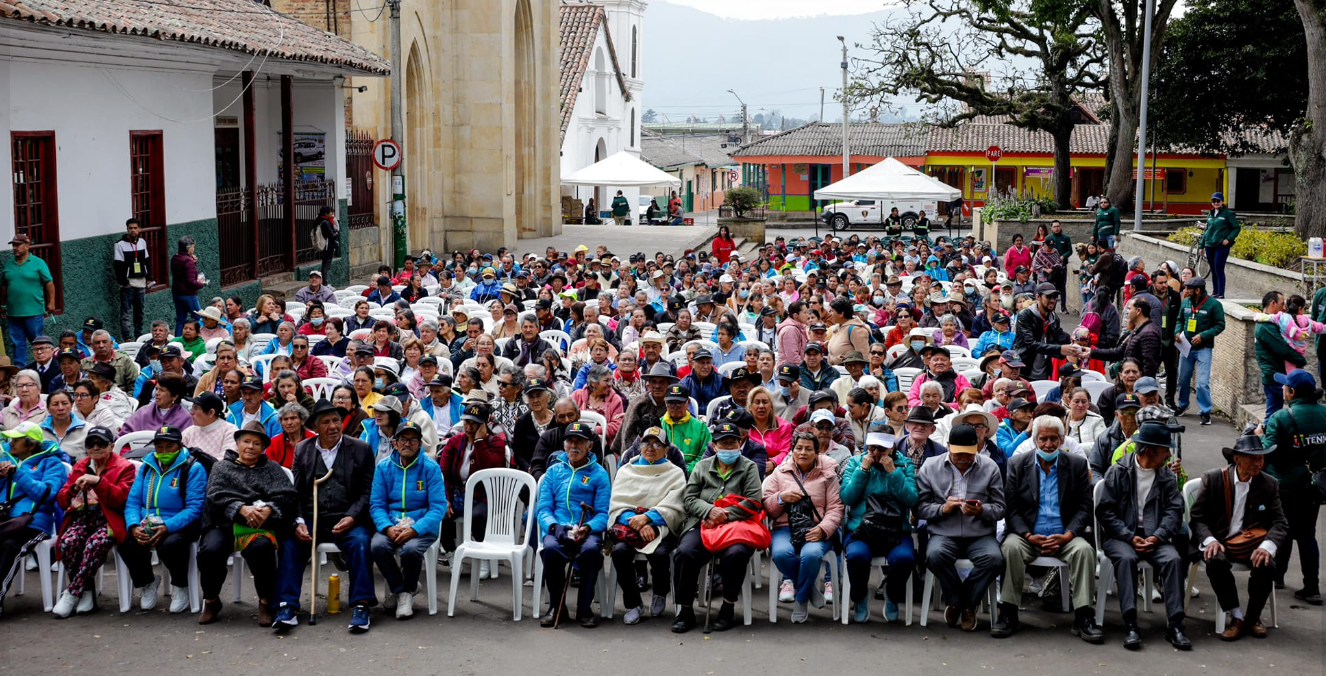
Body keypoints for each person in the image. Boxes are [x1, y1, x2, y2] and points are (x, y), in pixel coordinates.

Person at [992, 416, 1102, 641]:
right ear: (1035, 439)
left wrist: (1068, 535)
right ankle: (1009, 613)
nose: (1048, 444)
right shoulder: (1017, 464)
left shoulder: (1077, 465)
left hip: (1066, 535)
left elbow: (1084, 507)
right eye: (1043, 439)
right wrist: (1028, 535)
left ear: (1062, 440)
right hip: (1028, 535)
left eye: (1054, 439)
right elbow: (1010, 508)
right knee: (1010, 549)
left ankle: (1083, 616)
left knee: (1084, 551)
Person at [272, 400, 377, 634]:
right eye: (326, 422)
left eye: (336, 420)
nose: (333, 426)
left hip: (347, 516)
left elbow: (367, 492)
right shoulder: (303, 449)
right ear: (316, 427)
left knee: (361, 543)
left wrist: (352, 516)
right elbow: (295, 492)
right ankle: (286, 606)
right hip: (312, 516)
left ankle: (361, 605)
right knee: (290, 543)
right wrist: (297, 521)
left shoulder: (360, 449)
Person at [1096, 420, 1190, 650]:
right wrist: (1129, 536)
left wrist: (1157, 536)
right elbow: (1105, 511)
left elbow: (1174, 511)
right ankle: (1130, 624)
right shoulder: (1118, 471)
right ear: (1149, 451)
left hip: (1154, 537)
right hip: (1121, 537)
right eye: (1164, 450)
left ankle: (1175, 625)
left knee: (1173, 559)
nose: (1168, 454)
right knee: (1127, 559)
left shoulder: (1166, 476)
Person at [196, 421, 298, 624]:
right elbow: (214, 496)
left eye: (257, 443)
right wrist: (240, 508)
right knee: (211, 550)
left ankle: (265, 602)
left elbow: (288, 497)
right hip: (224, 523)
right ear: (237, 443)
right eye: (246, 441)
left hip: (259, 524)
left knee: (262, 548)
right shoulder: (221, 467)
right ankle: (211, 600)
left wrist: (269, 509)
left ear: (263, 448)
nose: (251, 447)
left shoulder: (272, 468)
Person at [1191, 429, 1288, 640]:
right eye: (1252, 459)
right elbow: (1197, 518)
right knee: (1214, 561)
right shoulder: (1214, 479)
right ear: (1237, 458)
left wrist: (1267, 546)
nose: (1257, 463)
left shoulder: (1268, 484)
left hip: (1249, 543)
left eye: (1260, 458)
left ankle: (1253, 618)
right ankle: (1236, 615)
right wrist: (1210, 540)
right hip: (1220, 541)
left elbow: (1280, 522)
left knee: (1267, 564)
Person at [670, 421, 762, 633]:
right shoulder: (703, 467)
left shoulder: (748, 467)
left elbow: (754, 502)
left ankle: (728, 607)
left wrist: (724, 516)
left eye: (732, 443)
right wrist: (709, 511)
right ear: (714, 446)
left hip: (736, 527)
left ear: (740, 443)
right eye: (724, 444)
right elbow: (689, 498)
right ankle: (685, 610)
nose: (728, 448)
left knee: (737, 553)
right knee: (685, 552)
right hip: (702, 524)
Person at [916, 423, 1005, 632]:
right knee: (935, 555)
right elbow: (919, 507)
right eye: (959, 454)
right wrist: (942, 509)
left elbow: (1001, 508)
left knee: (994, 559)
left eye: (969, 454)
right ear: (948, 447)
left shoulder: (989, 466)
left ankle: (964, 604)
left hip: (979, 534)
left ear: (977, 448)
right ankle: (960, 602)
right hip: (944, 533)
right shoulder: (930, 466)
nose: (964, 458)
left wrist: (982, 510)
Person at [116, 423, 207, 616]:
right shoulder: (147, 466)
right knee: (126, 541)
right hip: (147, 520)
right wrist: (133, 525)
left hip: (179, 521)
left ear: (180, 445)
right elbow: (132, 501)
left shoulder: (192, 468)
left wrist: (167, 525)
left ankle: (180, 586)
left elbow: (194, 508)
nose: (163, 451)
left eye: (169, 446)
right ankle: (147, 582)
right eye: (159, 446)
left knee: (171, 545)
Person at [50, 424, 135, 618]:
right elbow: (62, 500)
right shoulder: (80, 466)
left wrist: (99, 482)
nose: (95, 448)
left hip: (110, 518)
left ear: (111, 446)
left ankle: (72, 593)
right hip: (82, 516)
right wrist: (74, 489)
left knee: (95, 543)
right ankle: (86, 591)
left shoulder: (125, 467)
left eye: (101, 444)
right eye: (91, 443)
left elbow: (121, 499)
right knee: (68, 542)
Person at [536, 420, 611, 627]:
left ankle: (584, 608)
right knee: (550, 548)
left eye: (580, 442)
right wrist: (555, 527)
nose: (574, 446)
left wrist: (588, 527)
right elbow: (543, 509)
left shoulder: (599, 474)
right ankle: (556, 607)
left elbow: (604, 513)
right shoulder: (553, 472)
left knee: (590, 551)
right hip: (559, 529)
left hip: (586, 530)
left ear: (590, 446)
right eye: (570, 441)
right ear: (564, 445)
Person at [609, 426, 687, 625]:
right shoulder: (627, 470)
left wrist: (650, 519)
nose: (650, 448)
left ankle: (660, 592)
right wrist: (637, 522)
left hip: (663, 527)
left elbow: (676, 506)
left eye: (657, 444)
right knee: (619, 552)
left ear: (667, 449)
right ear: (639, 446)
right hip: (632, 527)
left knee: (661, 554)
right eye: (646, 443)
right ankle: (633, 603)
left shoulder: (674, 473)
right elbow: (617, 503)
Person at [764, 431, 844, 623]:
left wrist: (823, 529)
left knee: (811, 554)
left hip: (815, 527)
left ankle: (800, 600)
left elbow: (836, 508)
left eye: (809, 448)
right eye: (799, 448)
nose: (803, 452)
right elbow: (767, 505)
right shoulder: (780, 472)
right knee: (781, 554)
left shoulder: (828, 474)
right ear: (792, 450)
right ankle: (808, 588)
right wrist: (781, 498)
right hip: (785, 527)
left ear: (817, 452)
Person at [1261, 369, 1326, 605]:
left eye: (1285, 385)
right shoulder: (1324, 414)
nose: (1281, 388)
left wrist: (1259, 435)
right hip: (1313, 487)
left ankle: (1277, 576)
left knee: (1281, 529)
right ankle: (1312, 587)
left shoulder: (1281, 418)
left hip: (1284, 486)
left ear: (1292, 391)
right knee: (1308, 535)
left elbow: (1267, 452)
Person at [369, 421, 446, 619]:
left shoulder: (430, 467)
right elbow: (376, 504)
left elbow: (438, 507)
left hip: (421, 525)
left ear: (420, 444)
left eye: (413, 440)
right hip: (392, 523)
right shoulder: (383, 467)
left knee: (411, 549)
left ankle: (407, 590)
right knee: (377, 546)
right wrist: (386, 527)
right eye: (403, 439)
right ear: (395, 443)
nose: (408, 444)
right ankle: (403, 590)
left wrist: (416, 529)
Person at [840, 431, 917, 623]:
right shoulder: (856, 462)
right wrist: (862, 471)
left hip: (895, 529)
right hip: (861, 528)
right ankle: (859, 598)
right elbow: (847, 497)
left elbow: (911, 499)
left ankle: (892, 596)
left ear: (891, 448)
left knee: (904, 558)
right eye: (871, 447)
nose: (875, 453)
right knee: (857, 556)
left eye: (881, 449)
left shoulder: (904, 464)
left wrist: (893, 472)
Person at [0, 420, 67, 617]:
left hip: (33, 523)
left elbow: (48, 494)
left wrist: (18, 474)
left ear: (30, 444)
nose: (10, 443)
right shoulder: (7, 458)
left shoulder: (51, 463)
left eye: (16, 440)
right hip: (5, 520)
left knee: (10, 546)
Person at [0, 233, 56, 363]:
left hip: (34, 312)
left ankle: (44, 366)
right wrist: (2, 305)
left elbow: (49, 282)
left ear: (27, 245)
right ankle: (21, 371)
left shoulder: (38, 263)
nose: (15, 248)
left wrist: (51, 303)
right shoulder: (9, 264)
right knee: (17, 343)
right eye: (13, 245)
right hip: (13, 313)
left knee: (38, 343)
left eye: (18, 245)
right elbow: (4, 286)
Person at [1175, 277, 1224, 425]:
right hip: (1186, 347)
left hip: (1204, 348)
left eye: (1188, 288)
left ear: (1197, 290)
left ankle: (1205, 411)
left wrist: (1203, 336)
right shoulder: (1185, 302)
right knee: (1183, 379)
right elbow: (1179, 320)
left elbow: (1220, 325)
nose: (1185, 291)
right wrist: (1177, 332)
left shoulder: (1214, 305)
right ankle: (1183, 405)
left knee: (1202, 383)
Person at [1254, 291, 1307, 419]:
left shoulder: (1268, 323)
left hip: (1272, 376)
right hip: (1277, 376)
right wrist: (1301, 360)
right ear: (1273, 303)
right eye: (1282, 304)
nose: (1284, 308)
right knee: (1303, 405)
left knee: (1272, 415)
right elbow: (1282, 348)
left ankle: (1266, 436)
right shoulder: (1265, 327)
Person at [1012, 283, 1078, 381]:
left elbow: (1056, 340)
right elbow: (1031, 344)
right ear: (1038, 297)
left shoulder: (1054, 318)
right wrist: (1060, 349)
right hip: (1024, 371)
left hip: (1044, 372)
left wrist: (1075, 347)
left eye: (1055, 297)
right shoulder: (1025, 315)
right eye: (1048, 297)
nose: (1053, 300)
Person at [113, 218, 150, 341]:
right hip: (128, 284)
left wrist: (149, 277)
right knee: (126, 314)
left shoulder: (142, 242)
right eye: (130, 228)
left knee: (140, 313)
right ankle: (127, 338)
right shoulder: (119, 244)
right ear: (127, 229)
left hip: (141, 282)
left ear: (139, 229)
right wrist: (124, 282)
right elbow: (118, 265)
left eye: (135, 228)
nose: (133, 230)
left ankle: (139, 336)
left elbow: (147, 260)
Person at [1201, 192, 1239, 299]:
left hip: (1221, 245)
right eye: (1214, 201)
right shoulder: (1210, 214)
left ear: (1222, 201)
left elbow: (1236, 228)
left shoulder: (1228, 213)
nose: (1216, 203)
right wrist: (1201, 246)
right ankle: (1215, 291)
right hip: (1209, 244)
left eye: (1218, 201)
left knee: (1219, 267)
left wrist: (1229, 239)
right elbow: (1206, 230)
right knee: (1213, 268)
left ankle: (1221, 293)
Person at [181, 391, 238, 460]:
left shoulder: (230, 431)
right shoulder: (189, 432)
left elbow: (225, 462)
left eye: (196, 408)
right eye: (192, 408)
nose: (191, 412)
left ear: (211, 412)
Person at [169, 236, 207, 336]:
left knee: (180, 319)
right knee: (199, 317)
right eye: (193, 247)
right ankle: (200, 338)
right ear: (188, 248)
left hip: (177, 293)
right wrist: (201, 284)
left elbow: (182, 273)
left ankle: (177, 341)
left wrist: (193, 262)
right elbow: (191, 281)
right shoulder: (188, 261)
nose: (194, 249)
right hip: (188, 294)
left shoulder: (175, 258)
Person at [314, 205, 339, 279]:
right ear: (326, 214)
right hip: (328, 246)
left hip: (321, 244)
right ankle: (325, 283)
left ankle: (323, 282)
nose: (332, 214)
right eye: (331, 212)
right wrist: (336, 234)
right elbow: (332, 235)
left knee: (324, 263)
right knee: (326, 264)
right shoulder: (326, 223)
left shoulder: (317, 220)